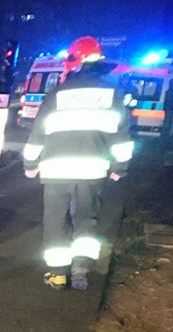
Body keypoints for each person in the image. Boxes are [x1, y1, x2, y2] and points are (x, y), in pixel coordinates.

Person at [23, 36, 134, 291]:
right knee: (87, 218)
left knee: (55, 220)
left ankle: (58, 274)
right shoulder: (111, 94)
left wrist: (30, 164)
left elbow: (38, 133)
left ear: (73, 62)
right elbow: (122, 138)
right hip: (92, 170)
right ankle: (81, 270)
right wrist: (120, 168)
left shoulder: (57, 94)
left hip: (56, 171)